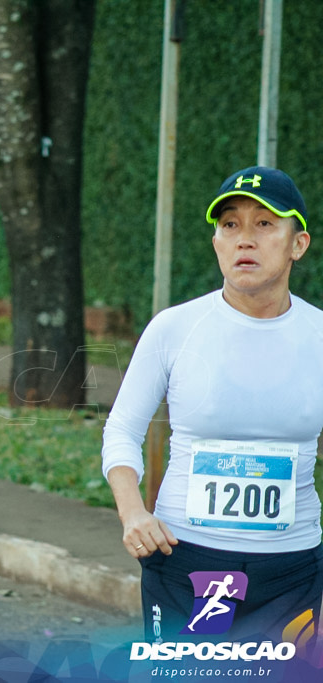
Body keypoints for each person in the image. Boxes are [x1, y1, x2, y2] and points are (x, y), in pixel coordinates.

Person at [102, 165, 323, 644]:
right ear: (217, 242)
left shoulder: (318, 336)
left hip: (292, 572)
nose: (245, 239)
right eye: (230, 225)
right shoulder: (175, 328)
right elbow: (121, 429)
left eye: (265, 224)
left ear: (298, 244)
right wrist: (133, 512)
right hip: (187, 560)